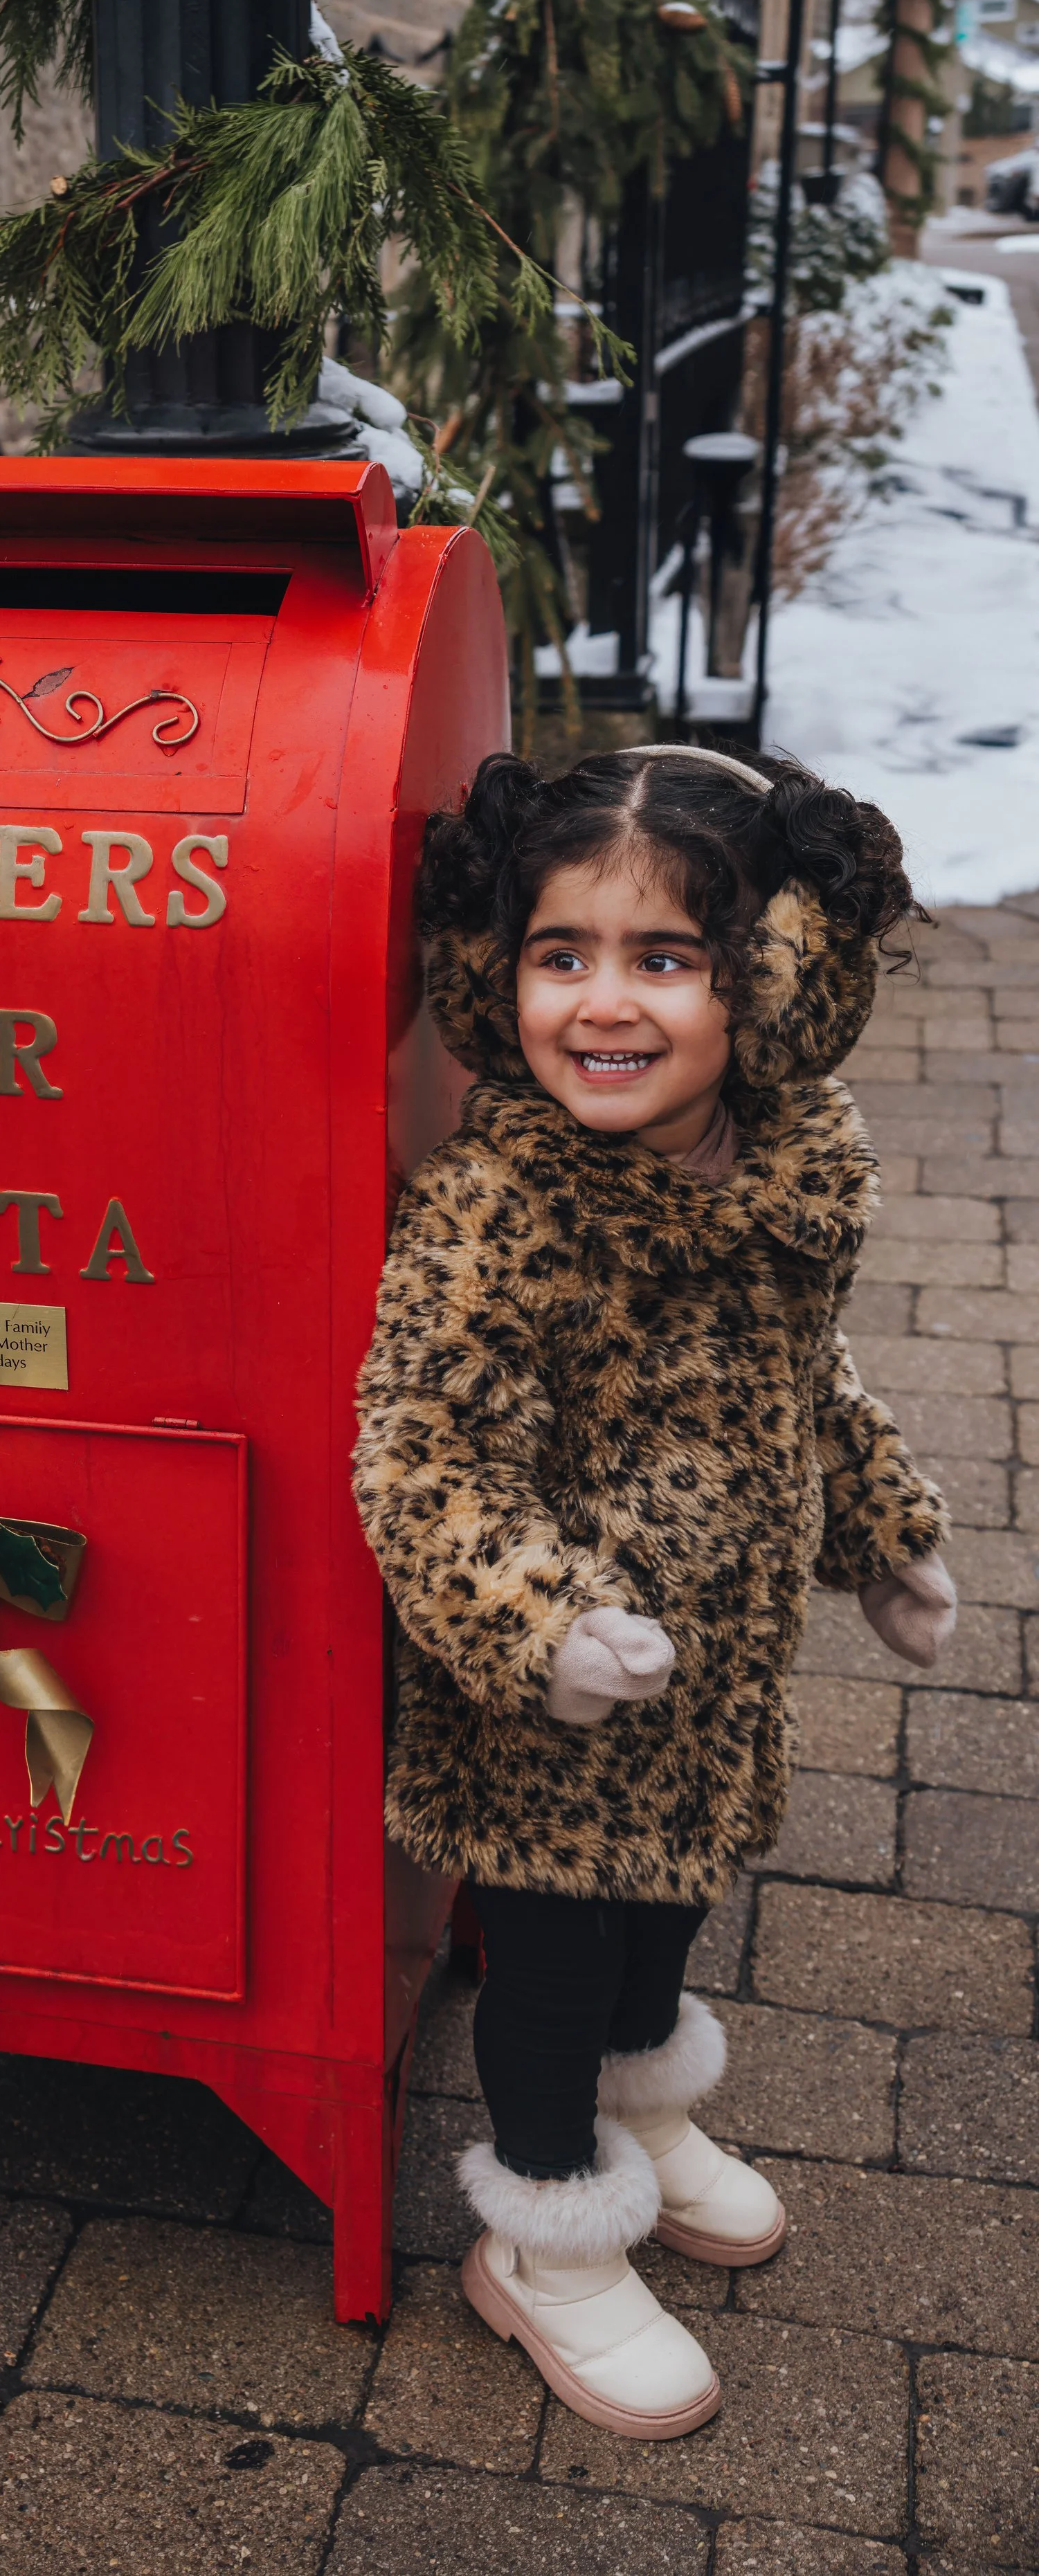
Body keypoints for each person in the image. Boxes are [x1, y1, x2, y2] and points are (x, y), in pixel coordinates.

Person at [353, 744, 955, 2441]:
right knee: (548, 1958)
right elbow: (422, 1453)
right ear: (496, 971)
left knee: (673, 1903)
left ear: (765, 982)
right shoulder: (496, 1208)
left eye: (661, 959)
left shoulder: (775, 1174)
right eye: (560, 955)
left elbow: (801, 1379)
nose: (600, 1004)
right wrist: (541, 1619)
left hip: (714, 1680)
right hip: (549, 1705)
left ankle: (641, 2102)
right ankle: (539, 2230)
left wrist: (879, 1527)